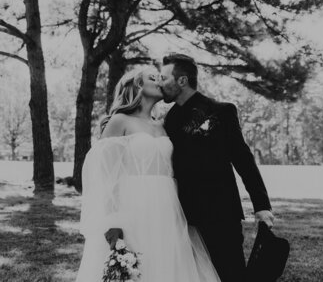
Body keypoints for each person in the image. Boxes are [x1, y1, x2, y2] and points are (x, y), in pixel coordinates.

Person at [75, 67, 221, 282]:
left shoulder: (163, 124)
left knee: (167, 264)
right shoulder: (120, 121)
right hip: (133, 206)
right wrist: (113, 219)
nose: (160, 81)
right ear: (138, 86)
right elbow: (107, 175)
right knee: (135, 265)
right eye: (153, 78)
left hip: (167, 206)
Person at [160, 53, 274, 282]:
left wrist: (261, 205)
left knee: (230, 274)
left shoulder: (221, 111)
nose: (160, 84)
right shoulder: (168, 120)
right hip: (185, 217)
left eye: (164, 78)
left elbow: (244, 159)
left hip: (221, 213)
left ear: (182, 80)